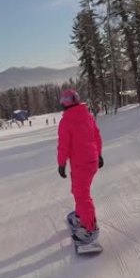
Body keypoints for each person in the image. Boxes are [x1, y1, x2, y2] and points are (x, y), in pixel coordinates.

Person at [56, 89, 104, 244]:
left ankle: (90, 229)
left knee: (82, 195)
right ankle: (79, 216)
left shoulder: (66, 121)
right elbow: (96, 136)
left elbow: (64, 145)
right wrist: (99, 154)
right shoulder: (87, 115)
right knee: (79, 190)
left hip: (80, 163)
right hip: (91, 161)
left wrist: (61, 163)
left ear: (66, 102)